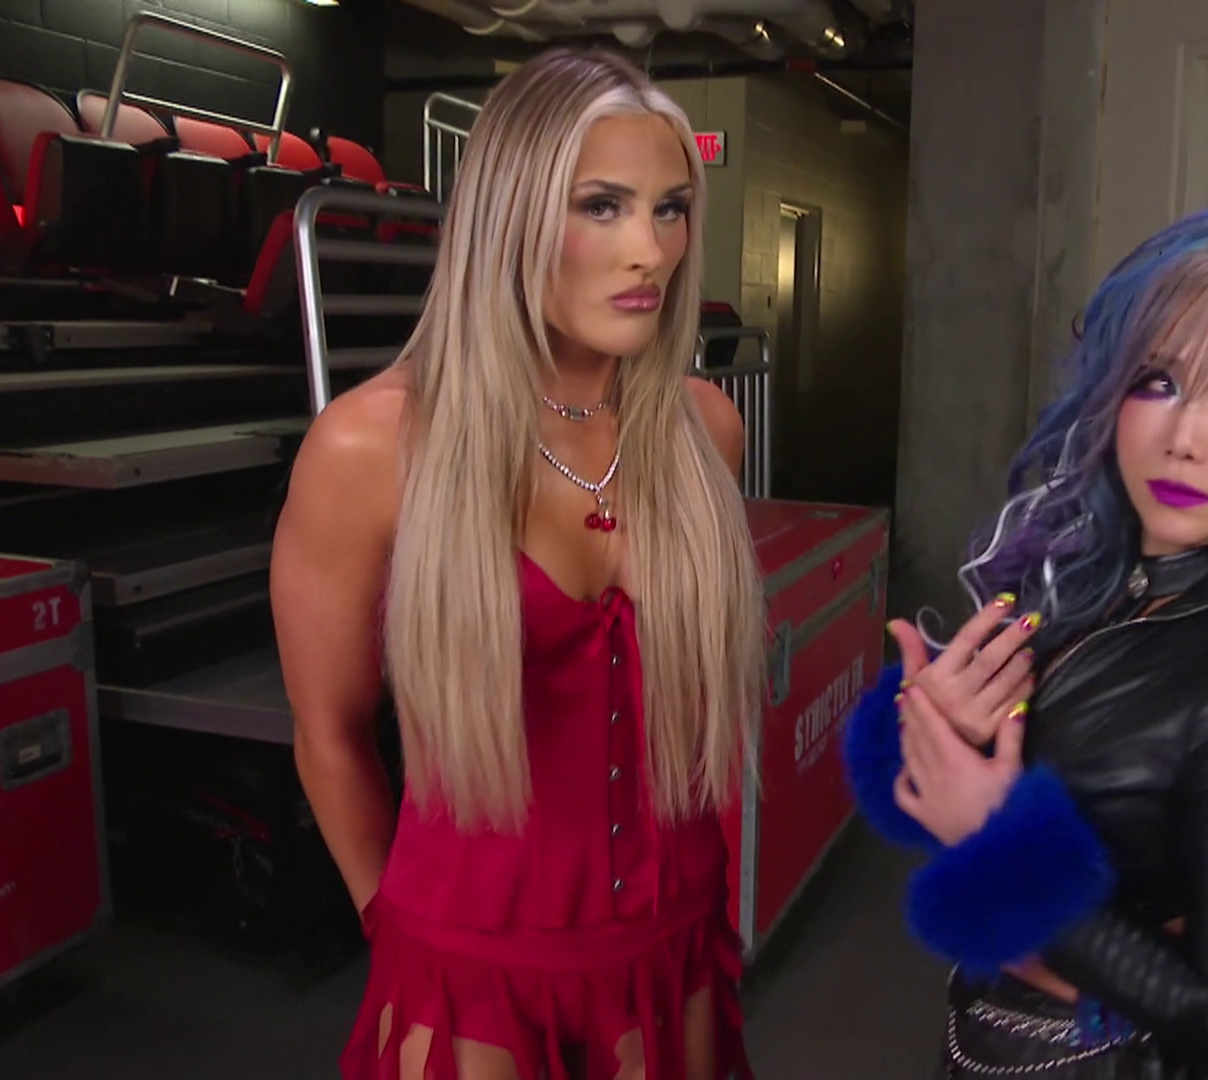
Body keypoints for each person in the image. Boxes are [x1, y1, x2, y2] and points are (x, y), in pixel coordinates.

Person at [270, 48, 765, 1080]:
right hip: (467, 961)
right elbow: (330, 732)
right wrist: (396, 930)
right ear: (510, 216)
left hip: (672, 941)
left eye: (671, 210)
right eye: (602, 206)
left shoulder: (703, 431)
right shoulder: (373, 447)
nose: (650, 251)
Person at [843, 196, 1208, 1079]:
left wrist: (1001, 839)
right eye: (1156, 380)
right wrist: (938, 728)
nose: (1183, 438)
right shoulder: (1088, 577)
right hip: (987, 1042)